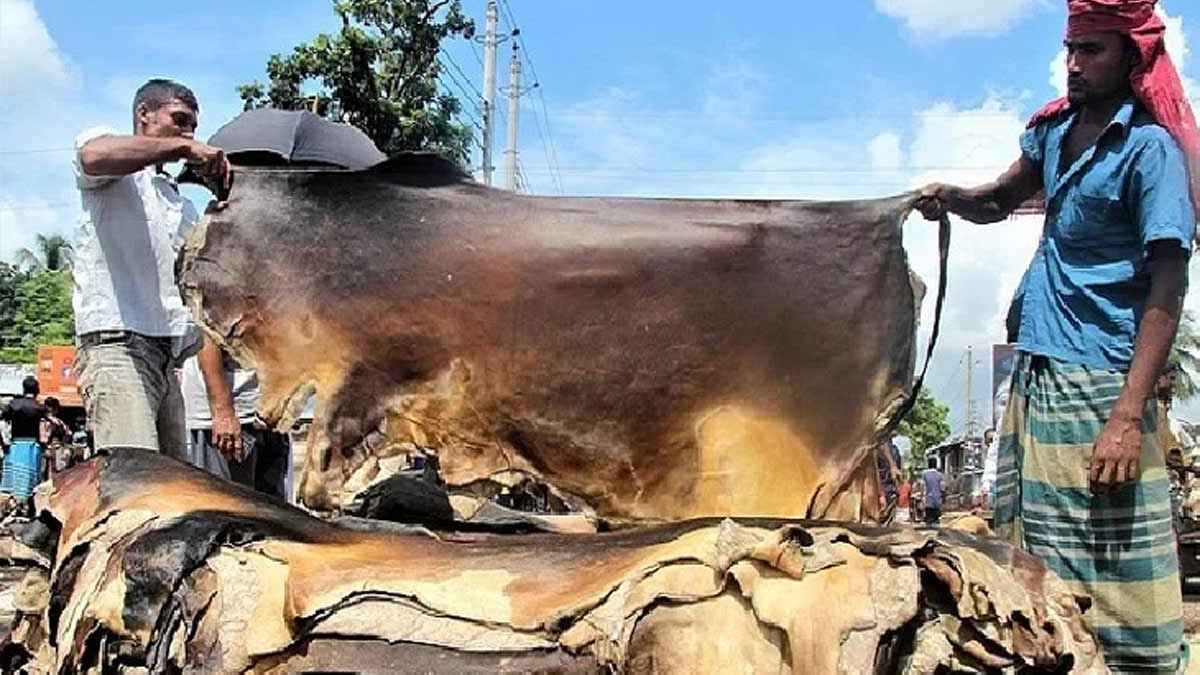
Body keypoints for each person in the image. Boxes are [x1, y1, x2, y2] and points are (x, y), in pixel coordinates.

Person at [915, 2, 1196, 669]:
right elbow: (996, 200)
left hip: (1103, 380)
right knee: (1036, 559)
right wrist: (946, 196)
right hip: (1039, 373)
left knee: (1116, 557)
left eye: (1093, 51)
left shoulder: (1147, 151)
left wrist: (1128, 416)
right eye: (1070, 49)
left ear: (1133, 57)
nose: (1074, 65)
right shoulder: (1054, 133)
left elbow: (1169, 279)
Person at [71, 79, 230, 458]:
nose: (188, 132)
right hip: (117, 346)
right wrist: (182, 147)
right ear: (144, 114)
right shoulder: (110, 168)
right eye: (179, 119)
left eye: (192, 126)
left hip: (165, 359)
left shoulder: (177, 202)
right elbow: (93, 156)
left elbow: (203, 292)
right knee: (138, 487)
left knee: (173, 490)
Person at [182, 340, 291, 500]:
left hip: (269, 413)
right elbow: (207, 335)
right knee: (226, 510)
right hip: (230, 418)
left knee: (271, 515)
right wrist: (223, 411)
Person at [0, 377, 46, 509]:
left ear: (23, 389)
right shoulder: (39, 408)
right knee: (30, 480)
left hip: (15, 447)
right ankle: (26, 508)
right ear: (37, 390)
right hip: (32, 447)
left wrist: (4, 443)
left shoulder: (13, 405)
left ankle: (10, 509)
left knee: (12, 480)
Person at [40, 397, 72, 476]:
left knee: (47, 473)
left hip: (49, 449)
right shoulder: (59, 422)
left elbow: (43, 438)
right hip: (57, 449)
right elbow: (68, 434)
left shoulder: (44, 421)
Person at [921, 457, 943, 527]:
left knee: (929, 519)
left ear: (928, 464)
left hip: (929, 500)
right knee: (936, 519)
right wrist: (943, 497)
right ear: (936, 464)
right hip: (937, 499)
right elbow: (942, 487)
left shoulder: (924, 474)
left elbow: (922, 486)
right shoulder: (940, 475)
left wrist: (922, 497)